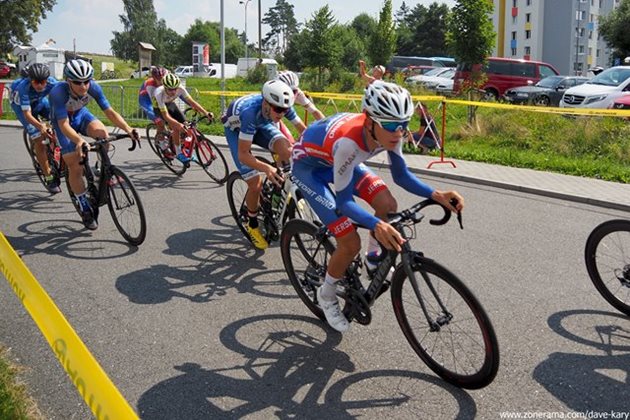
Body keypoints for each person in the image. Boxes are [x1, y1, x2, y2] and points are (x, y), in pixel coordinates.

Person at [290, 81, 464, 332]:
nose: (399, 133)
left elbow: (401, 175)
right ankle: (326, 294)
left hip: (340, 161)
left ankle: (373, 259)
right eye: (392, 125)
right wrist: (375, 225)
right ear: (370, 121)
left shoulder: (391, 133)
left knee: (387, 203)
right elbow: (344, 202)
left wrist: (437, 194)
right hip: (310, 169)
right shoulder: (349, 144)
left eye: (404, 125)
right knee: (349, 241)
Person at [49, 59, 139, 230]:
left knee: (103, 134)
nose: (83, 86)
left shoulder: (94, 87)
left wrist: (128, 128)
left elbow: (110, 112)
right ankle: (83, 205)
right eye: (77, 82)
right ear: (68, 80)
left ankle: (101, 169)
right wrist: (79, 140)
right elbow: (64, 125)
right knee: (75, 164)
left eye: (86, 81)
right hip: (63, 123)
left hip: (81, 115)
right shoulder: (58, 92)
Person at [221, 80, 297, 250]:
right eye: (278, 109)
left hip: (262, 122)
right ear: (266, 103)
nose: (282, 113)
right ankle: (252, 223)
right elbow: (243, 155)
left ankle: (278, 193)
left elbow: (303, 129)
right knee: (255, 183)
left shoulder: (281, 106)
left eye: (285, 110)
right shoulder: (250, 112)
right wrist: (266, 168)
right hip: (237, 130)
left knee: (286, 149)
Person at [10, 63, 60, 193]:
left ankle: (55, 151)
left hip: (39, 101)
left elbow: (65, 94)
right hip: (21, 108)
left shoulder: (52, 83)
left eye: (42, 82)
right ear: (29, 79)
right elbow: (27, 114)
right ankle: (48, 176)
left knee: (59, 121)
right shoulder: (23, 87)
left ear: (47, 80)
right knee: (39, 140)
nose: (39, 85)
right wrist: (40, 126)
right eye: (35, 82)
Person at [152, 73, 214, 163]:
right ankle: (178, 153)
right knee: (175, 128)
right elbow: (166, 116)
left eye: (175, 89)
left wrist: (206, 112)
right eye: (170, 89)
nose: (173, 92)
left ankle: (186, 149)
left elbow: (191, 102)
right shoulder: (159, 93)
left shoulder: (180, 88)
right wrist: (177, 125)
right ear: (165, 87)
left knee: (187, 125)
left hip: (170, 104)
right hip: (159, 108)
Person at [138, 66, 168, 130]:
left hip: (156, 98)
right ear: (154, 78)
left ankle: (162, 134)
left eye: (163, 79)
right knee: (160, 121)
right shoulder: (150, 85)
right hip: (146, 101)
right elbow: (155, 102)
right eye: (159, 79)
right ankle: (161, 139)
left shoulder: (167, 80)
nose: (162, 81)